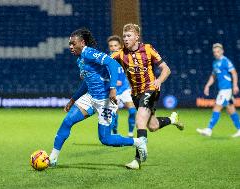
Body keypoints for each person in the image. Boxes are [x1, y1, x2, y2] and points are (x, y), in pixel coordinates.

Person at [49, 28, 147, 167]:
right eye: (69, 44)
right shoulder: (80, 59)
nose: (70, 46)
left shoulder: (89, 52)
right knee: (67, 121)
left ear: (82, 43)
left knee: (106, 139)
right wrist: (73, 100)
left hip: (105, 101)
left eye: (73, 43)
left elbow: (112, 63)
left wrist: (113, 88)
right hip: (90, 97)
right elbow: (87, 82)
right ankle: (53, 158)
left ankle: (138, 142)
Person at [111, 23, 184, 169]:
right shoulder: (120, 53)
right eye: (124, 36)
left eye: (129, 36)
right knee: (152, 126)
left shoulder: (148, 49)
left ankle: (137, 160)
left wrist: (159, 80)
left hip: (150, 89)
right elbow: (104, 62)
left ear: (137, 37)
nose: (125, 38)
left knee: (139, 118)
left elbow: (166, 69)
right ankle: (172, 119)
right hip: (135, 93)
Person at [196, 43, 240, 138]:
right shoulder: (215, 62)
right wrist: (207, 85)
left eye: (218, 51)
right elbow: (213, 76)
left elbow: (234, 73)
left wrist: (235, 85)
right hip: (223, 89)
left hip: (226, 89)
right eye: (214, 52)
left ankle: (209, 129)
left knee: (217, 107)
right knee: (231, 110)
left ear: (222, 51)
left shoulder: (225, 61)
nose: (216, 53)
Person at [107, 35, 137, 137]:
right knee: (114, 113)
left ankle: (130, 133)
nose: (113, 47)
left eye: (115, 45)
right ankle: (115, 132)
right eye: (111, 46)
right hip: (114, 90)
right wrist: (112, 82)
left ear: (120, 46)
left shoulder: (126, 56)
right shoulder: (106, 60)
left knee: (133, 111)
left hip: (125, 89)